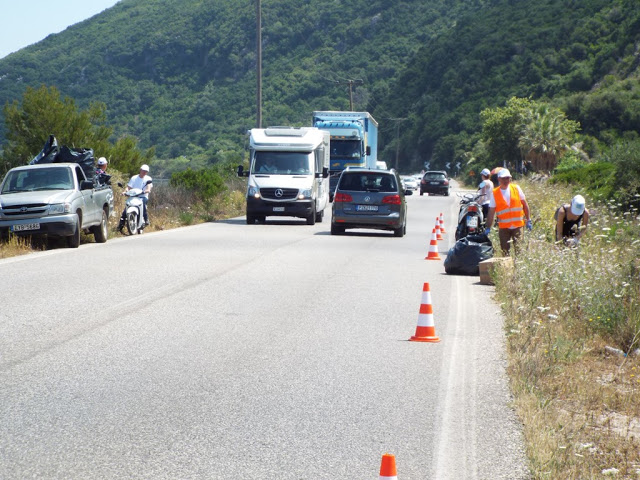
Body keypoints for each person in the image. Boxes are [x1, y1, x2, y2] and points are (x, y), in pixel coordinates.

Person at [484, 168, 532, 255]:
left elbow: (525, 204)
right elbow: (491, 212)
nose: (506, 180)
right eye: (503, 178)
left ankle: (517, 268)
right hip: (504, 228)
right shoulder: (495, 193)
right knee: (505, 253)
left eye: (507, 178)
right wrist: (488, 227)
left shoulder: (516, 188)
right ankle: (507, 268)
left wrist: (529, 220)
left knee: (519, 252)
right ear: (499, 179)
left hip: (518, 226)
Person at [118, 164, 152, 232]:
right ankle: (120, 226)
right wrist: (125, 191)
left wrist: (147, 190)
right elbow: (129, 187)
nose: (144, 172)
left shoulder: (148, 178)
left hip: (143, 196)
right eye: (143, 170)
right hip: (134, 197)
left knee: (143, 205)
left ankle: (146, 220)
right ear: (140, 170)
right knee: (125, 210)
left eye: (146, 171)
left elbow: (149, 186)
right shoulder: (134, 178)